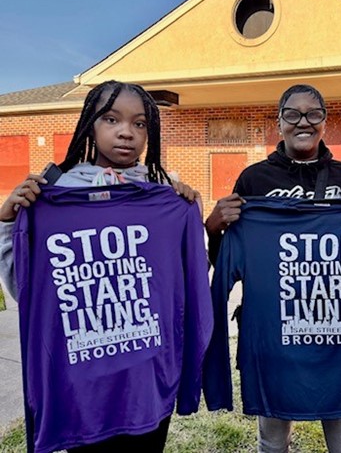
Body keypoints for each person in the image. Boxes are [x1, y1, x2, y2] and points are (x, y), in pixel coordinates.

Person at [0, 80, 211, 453]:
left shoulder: (165, 197)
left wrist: (191, 219)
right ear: (89, 125)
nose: (127, 131)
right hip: (83, 391)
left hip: (147, 385)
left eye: (140, 123)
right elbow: (28, 290)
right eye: (111, 119)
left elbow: (188, 282)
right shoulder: (54, 195)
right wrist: (7, 224)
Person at [204, 84, 341, 453]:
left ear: (324, 122)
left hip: (339, 337)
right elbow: (230, 260)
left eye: (313, 114)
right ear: (279, 122)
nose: (303, 122)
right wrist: (214, 229)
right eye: (292, 114)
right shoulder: (254, 180)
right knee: (273, 440)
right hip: (275, 337)